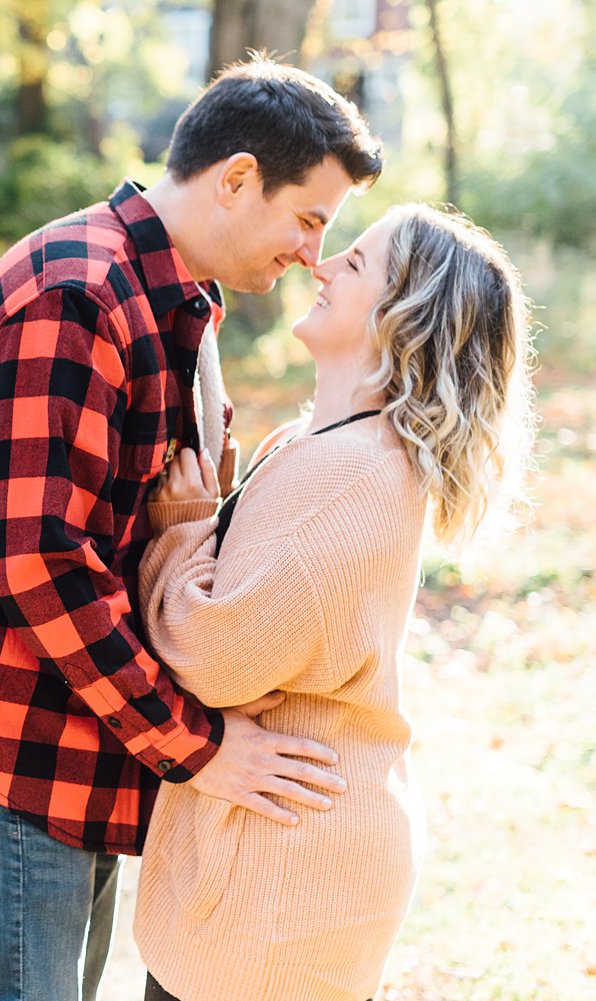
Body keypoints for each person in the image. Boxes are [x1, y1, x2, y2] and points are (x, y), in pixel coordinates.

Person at [0, 58, 382, 999]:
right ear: (236, 179)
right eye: (309, 219)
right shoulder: (78, 295)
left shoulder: (178, 301)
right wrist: (199, 748)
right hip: (15, 736)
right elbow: (40, 562)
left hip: (88, 731)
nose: (312, 254)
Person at [135, 203, 535, 1001]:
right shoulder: (324, 447)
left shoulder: (350, 474)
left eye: (353, 264)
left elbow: (214, 656)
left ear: (400, 320)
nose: (319, 266)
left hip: (285, 880)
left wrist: (179, 533)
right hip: (287, 853)